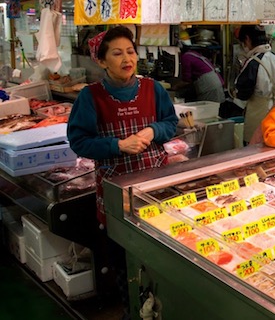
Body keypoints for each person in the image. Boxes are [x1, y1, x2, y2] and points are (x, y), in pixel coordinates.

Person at [68, 26, 179, 224]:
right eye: (117, 54)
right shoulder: (90, 96)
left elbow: (170, 123)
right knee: (118, 240)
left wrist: (154, 131)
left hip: (155, 182)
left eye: (130, 52)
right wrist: (117, 145)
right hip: (116, 187)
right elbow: (79, 142)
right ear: (102, 61)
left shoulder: (153, 88)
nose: (127, 59)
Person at [231, 26, 275, 144]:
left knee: (254, 145)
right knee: (272, 142)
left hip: (257, 112)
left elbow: (243, 92)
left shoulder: (253, 62)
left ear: (247, 39)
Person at [177, 30, 224, 103]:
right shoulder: (192, 54)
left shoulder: (186, 57)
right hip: (215, 83)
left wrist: (173, 87)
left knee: (207, 110)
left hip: (209, 86)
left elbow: (186, 80)